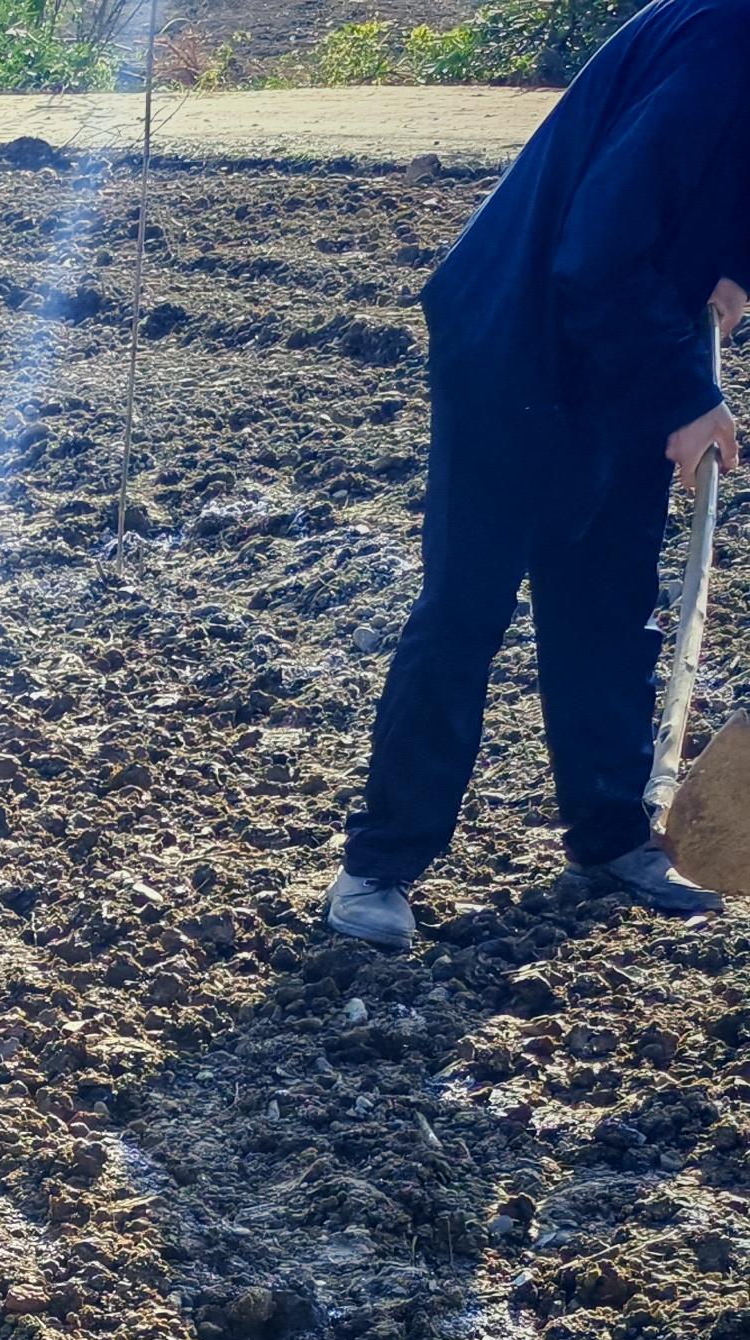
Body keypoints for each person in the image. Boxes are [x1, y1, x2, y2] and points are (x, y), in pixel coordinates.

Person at [330, 0, 750, 949]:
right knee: (466, 611)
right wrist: (684, 395)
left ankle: (607, 838)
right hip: (516, 349)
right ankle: (379, 865)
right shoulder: (725, 44)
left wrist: (730, 269)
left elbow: (723, 189)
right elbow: (595, 248)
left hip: (619, 347)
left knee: (606, 601)